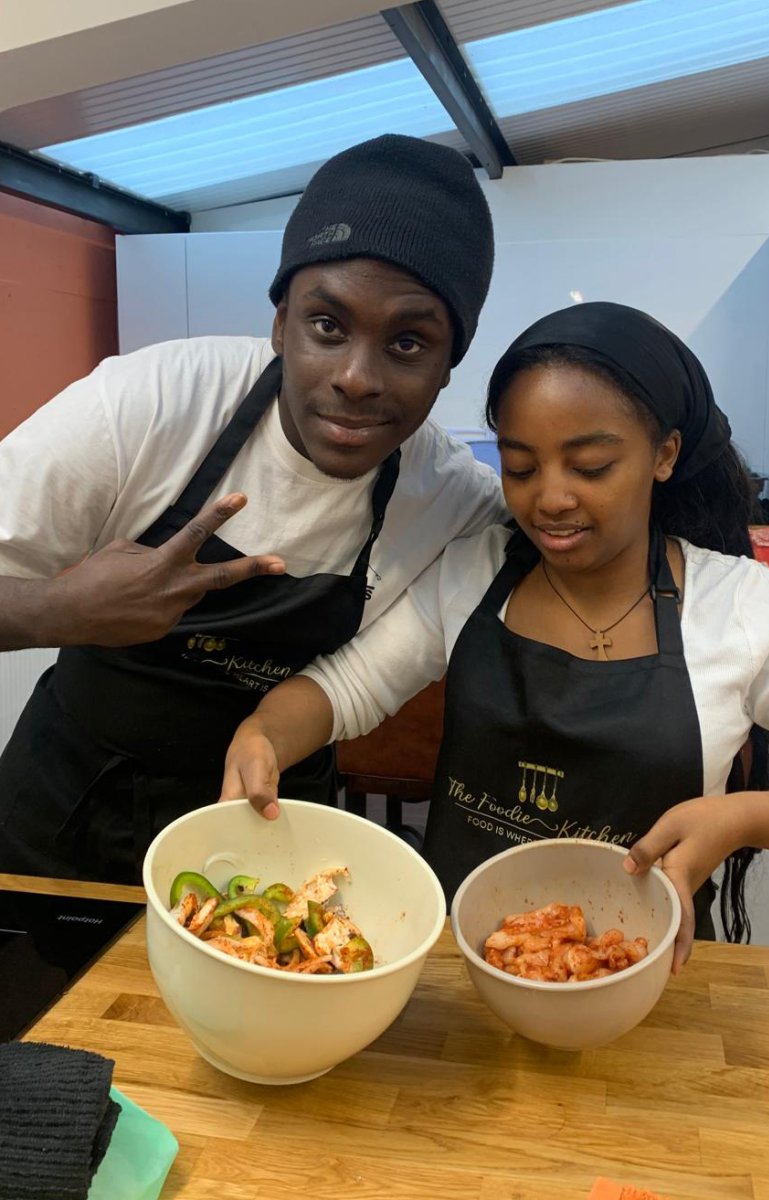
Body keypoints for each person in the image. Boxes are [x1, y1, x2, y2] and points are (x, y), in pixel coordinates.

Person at [222, 302, 769, 968]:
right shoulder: (474, 572)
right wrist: (266, 730)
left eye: (588, 467)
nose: (549, 499)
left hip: (639, 985)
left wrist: (736, 819)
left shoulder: (741, 607)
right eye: (520, 468)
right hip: (457, 974)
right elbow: (346, 688)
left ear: (662, 454)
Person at [0, 133, 505, 883]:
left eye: (407, 343)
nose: (356, 379)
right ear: (279, 323)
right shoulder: (154, 402)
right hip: (66, 817)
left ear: (447, 365)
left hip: (272, 840)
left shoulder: (453, 499)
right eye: (326, 326)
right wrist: (55, 610)